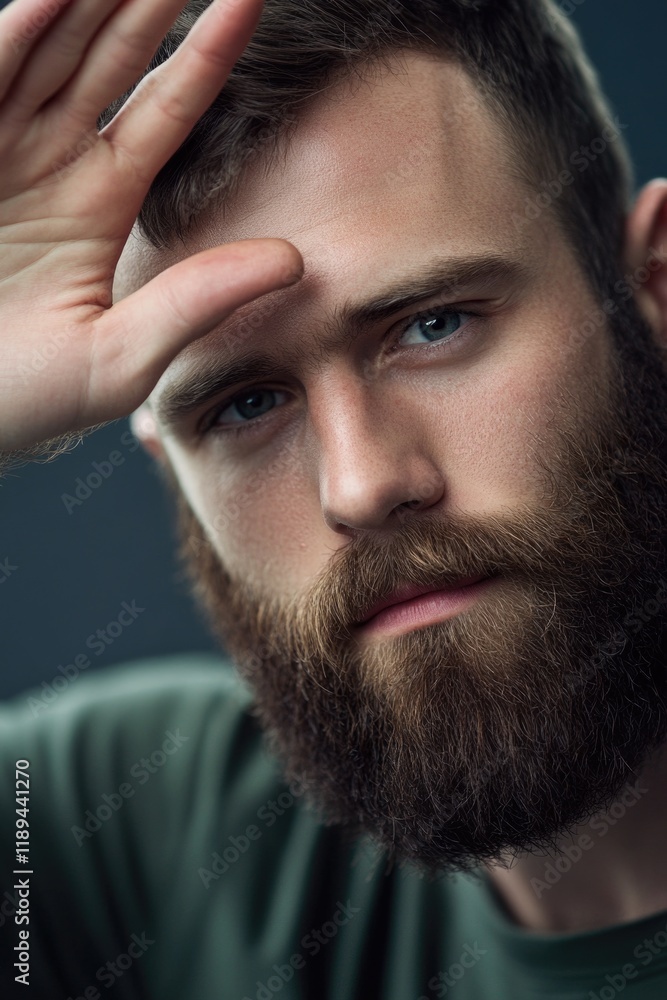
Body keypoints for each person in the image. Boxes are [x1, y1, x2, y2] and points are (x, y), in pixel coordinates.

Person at [1, 0, 667, 995]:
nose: (360, 485)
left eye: (434, 324)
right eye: (246, 404)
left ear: (650, 293)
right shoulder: (117, 830)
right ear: (160, 452)